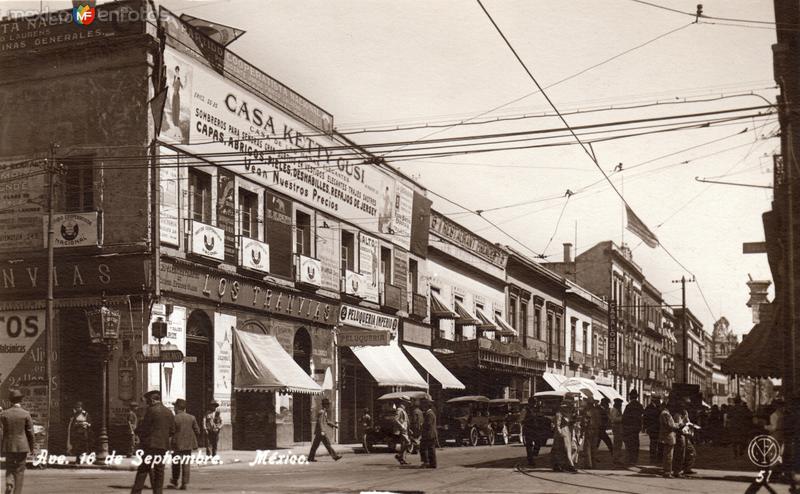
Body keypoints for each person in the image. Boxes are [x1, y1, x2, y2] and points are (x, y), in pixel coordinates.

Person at [131, 391, 176, 494]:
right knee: (159, 470)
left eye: (147, 401)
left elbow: (145, 427)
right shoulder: (169, 412)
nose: (147, 403)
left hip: (150, 445)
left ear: (152, 400)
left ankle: (136, 492)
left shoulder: (151, 411)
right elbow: (173, 430)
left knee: (143, 469)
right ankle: (158, 492)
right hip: (162, 446)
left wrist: (137, 431)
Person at [0, 389, 34, 494]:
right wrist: (31, 447)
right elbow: (30, 432)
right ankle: (17, 492)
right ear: (21, 400)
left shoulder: (4, 414)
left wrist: (1, 447)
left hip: (9, 445)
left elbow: (1, 432)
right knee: (19, 471)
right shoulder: (26, 414)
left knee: (9, 466)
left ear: (10, 400)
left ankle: (9, 482)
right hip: (22, 446)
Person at [169, 399, 200, 490]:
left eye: (175, 406)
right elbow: (197, 430)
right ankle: (184, 483)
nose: (174, 408)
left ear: (177, 407)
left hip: (177, 445)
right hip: (188, 445)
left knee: (176, 464)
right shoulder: (192, 417)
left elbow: (171, 431)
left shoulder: (174, 418)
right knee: (186, 464)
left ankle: (175, 481)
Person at [308, 398, 341, 462]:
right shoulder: (322, 412)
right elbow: (320, 422)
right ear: (325, 405)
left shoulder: (324, 412)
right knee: (327, 444)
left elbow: (327, 421)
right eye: (327, 404)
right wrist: (322, 431)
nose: (328, 406)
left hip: (319, 432)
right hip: (321, 432)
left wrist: (333, 425)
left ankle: (310, 458)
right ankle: (335, 456)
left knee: (315, 445)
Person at [673, 398, 697, 477]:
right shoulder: (677, 415)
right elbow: (677, 425)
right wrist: (683, 424)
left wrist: (691, 425)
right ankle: (677, 471)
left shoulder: (685, 413)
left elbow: (687, 421)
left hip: (686, 434)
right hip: (680, 435)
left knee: (691, 451)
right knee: (680, 453)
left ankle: (687, 468)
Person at [659, 399, 683, 478]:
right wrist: (679, 424)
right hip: (669, 436)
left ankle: (666, 470)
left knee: (666, 454)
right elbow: (671, 425)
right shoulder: (666, 414)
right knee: (669, 455)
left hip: (666, 436)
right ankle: (667, 471)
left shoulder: (664, 413)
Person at [552, 399, 577, 473]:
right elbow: (557, 425)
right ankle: (570, 465)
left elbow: (572, 422)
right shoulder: (559, 414)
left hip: (568, 432)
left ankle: (564, 464)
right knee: (564, 449)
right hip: (563, 432)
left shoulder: (569, 414)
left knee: (570, 448)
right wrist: (560, 433)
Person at [521, 397, 546, 466]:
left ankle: (533, 454)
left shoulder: (537, 410)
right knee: (529, 445)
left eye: (535, 402)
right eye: (533, 402)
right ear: (530, 403)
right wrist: (529, 419)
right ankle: (530, 460)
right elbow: (521, 420)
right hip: (528, 429)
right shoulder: (525, 410)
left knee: (538, 443)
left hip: (536, 429)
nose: (535, 404)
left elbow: (541, 417)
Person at [622, 389, 644, 465]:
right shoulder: (640, 406)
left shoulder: (628, 406)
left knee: (629, 445)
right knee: (636, 444)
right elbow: (642, 417)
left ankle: (629, 459)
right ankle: (634, 460)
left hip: (629, 428)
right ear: (637, 397)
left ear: (630, 397)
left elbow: (624, 418)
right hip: (636, 429)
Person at [582, 395, 601, 469]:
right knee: (594, 447)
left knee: (587, 447)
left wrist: (583, 427)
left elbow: (584, 422)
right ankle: (594, 464)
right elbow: (600, 422)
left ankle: (588, 464)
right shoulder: (597, 411)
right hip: (596, 430)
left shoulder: (587, 411)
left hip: (589, 429)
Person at [643, 396, 662, 463]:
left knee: (654, 443)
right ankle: (653, 457)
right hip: (653, 428)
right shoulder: (653, 408)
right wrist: (645, 427)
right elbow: (645, 418)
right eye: (658, 400)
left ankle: (654, 457)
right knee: (654, 443)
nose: (659, 402)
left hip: (654, 428)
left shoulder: (650, 407)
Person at [420, 399, 438, 469]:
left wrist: (422, 425)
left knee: (427, 449)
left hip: (429, 434)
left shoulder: (429, 414)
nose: (423, 407)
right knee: (431, 449)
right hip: (431, 434)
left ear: (427, 406)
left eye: (424, 405)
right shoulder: (430, 413)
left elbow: (428, 424)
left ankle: (429, 463)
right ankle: (432, 463)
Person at [394, 399, 411, 465]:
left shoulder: (403, 410)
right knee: (408, 442)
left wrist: (408, 429)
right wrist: (401, 426)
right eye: (407, 402)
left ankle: (402, 459)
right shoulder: (399, 410)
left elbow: (406, 421)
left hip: (405, 430)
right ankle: (399, 455)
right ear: (403, 402)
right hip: (402, 430)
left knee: (404, 444)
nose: (408, 404)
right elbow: (396, 419)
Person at [610, 398, 625, 465]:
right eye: (620, 404)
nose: (621, 405)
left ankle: (617, 458)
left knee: (619, 444)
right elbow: (614, 419)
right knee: (617, 444)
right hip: (616, 427)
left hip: (619, 428)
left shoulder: (617, 410)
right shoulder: (614, 410)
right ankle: (615, 459)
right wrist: (622, 418)